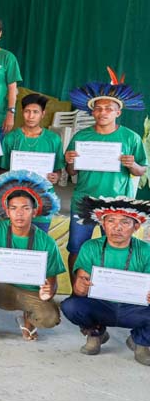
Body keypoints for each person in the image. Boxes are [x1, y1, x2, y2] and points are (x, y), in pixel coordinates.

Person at [65, 70, 146, 272]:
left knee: (115, 249)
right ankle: (77, 288)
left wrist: (132, 165)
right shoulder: (81, 136)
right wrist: (70, 161)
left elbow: (141, 170)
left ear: (118, 113)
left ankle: (108, 287)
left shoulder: (131, 138)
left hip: (117, 205)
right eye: (98, 108)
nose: (103, 112)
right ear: (92, 112)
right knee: (76, 249)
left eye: (109, 109)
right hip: (84, 201)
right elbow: (71, 172)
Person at [0, 171, 64, 341]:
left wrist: (49, 290)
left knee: (50, 318)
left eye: (25, 208)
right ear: (7, 211)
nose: (19, 214)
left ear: (34, 212)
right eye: (14, 208)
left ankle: (28, 319)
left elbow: (52, 279)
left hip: (30, 293)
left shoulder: (47, 242)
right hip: (1, 288)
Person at [61, 196, 150, 365]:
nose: (117, 227)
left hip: (134, 308)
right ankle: (96, 333)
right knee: (71, 306)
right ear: (103, 224)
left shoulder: (146, 250)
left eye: (125, 222)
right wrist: (80, 286)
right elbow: (79, 290)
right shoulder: (90, 247)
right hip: (101, 306)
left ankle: (141, 341)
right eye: (111, 221)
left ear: (136, 226)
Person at [0, 93, 64, 232]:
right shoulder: (11, 138)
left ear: (43, 114)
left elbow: (58, 169)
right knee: (14, 241)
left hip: (42, 199)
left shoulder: (53, 139)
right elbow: (2, 169)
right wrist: (10, 176)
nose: (31, 116)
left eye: (35, 112)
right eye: (27, 111)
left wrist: (56, 176)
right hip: (16, 198)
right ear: (22, 112)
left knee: (39, 239)